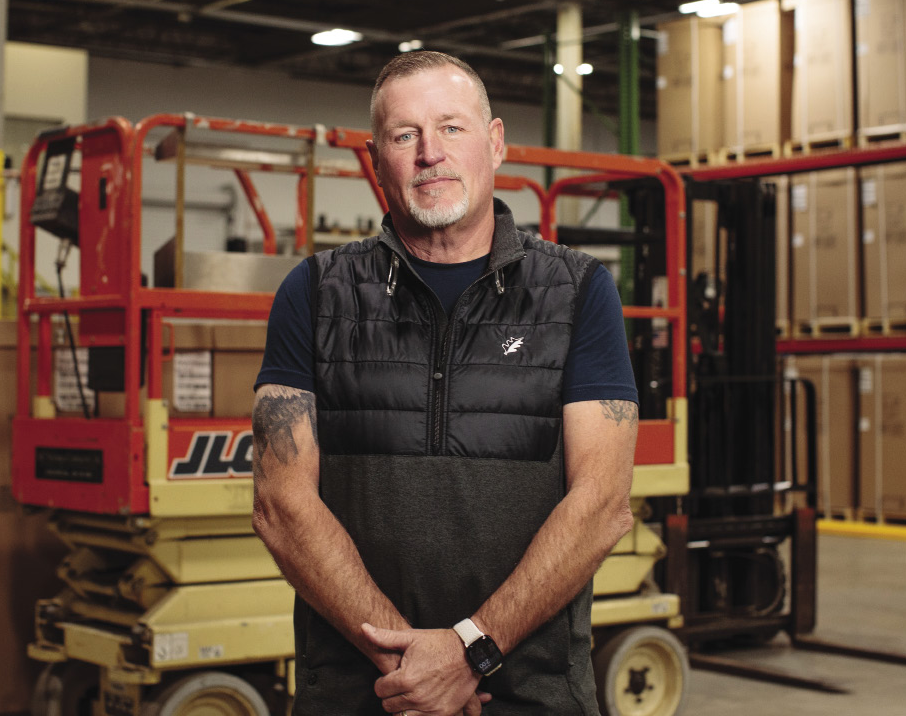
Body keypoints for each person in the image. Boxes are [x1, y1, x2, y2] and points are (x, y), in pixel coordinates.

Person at [251, 50, 639, 715]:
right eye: (405, 135)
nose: (430, 152)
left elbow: (601, 505)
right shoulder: (315, 294)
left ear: (494, 144)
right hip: (361, 695)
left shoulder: (577, 293)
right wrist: (411, 669)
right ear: (378, 162)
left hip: (529, 696)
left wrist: (470, 651)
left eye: (452, 128)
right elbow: (281, 505)